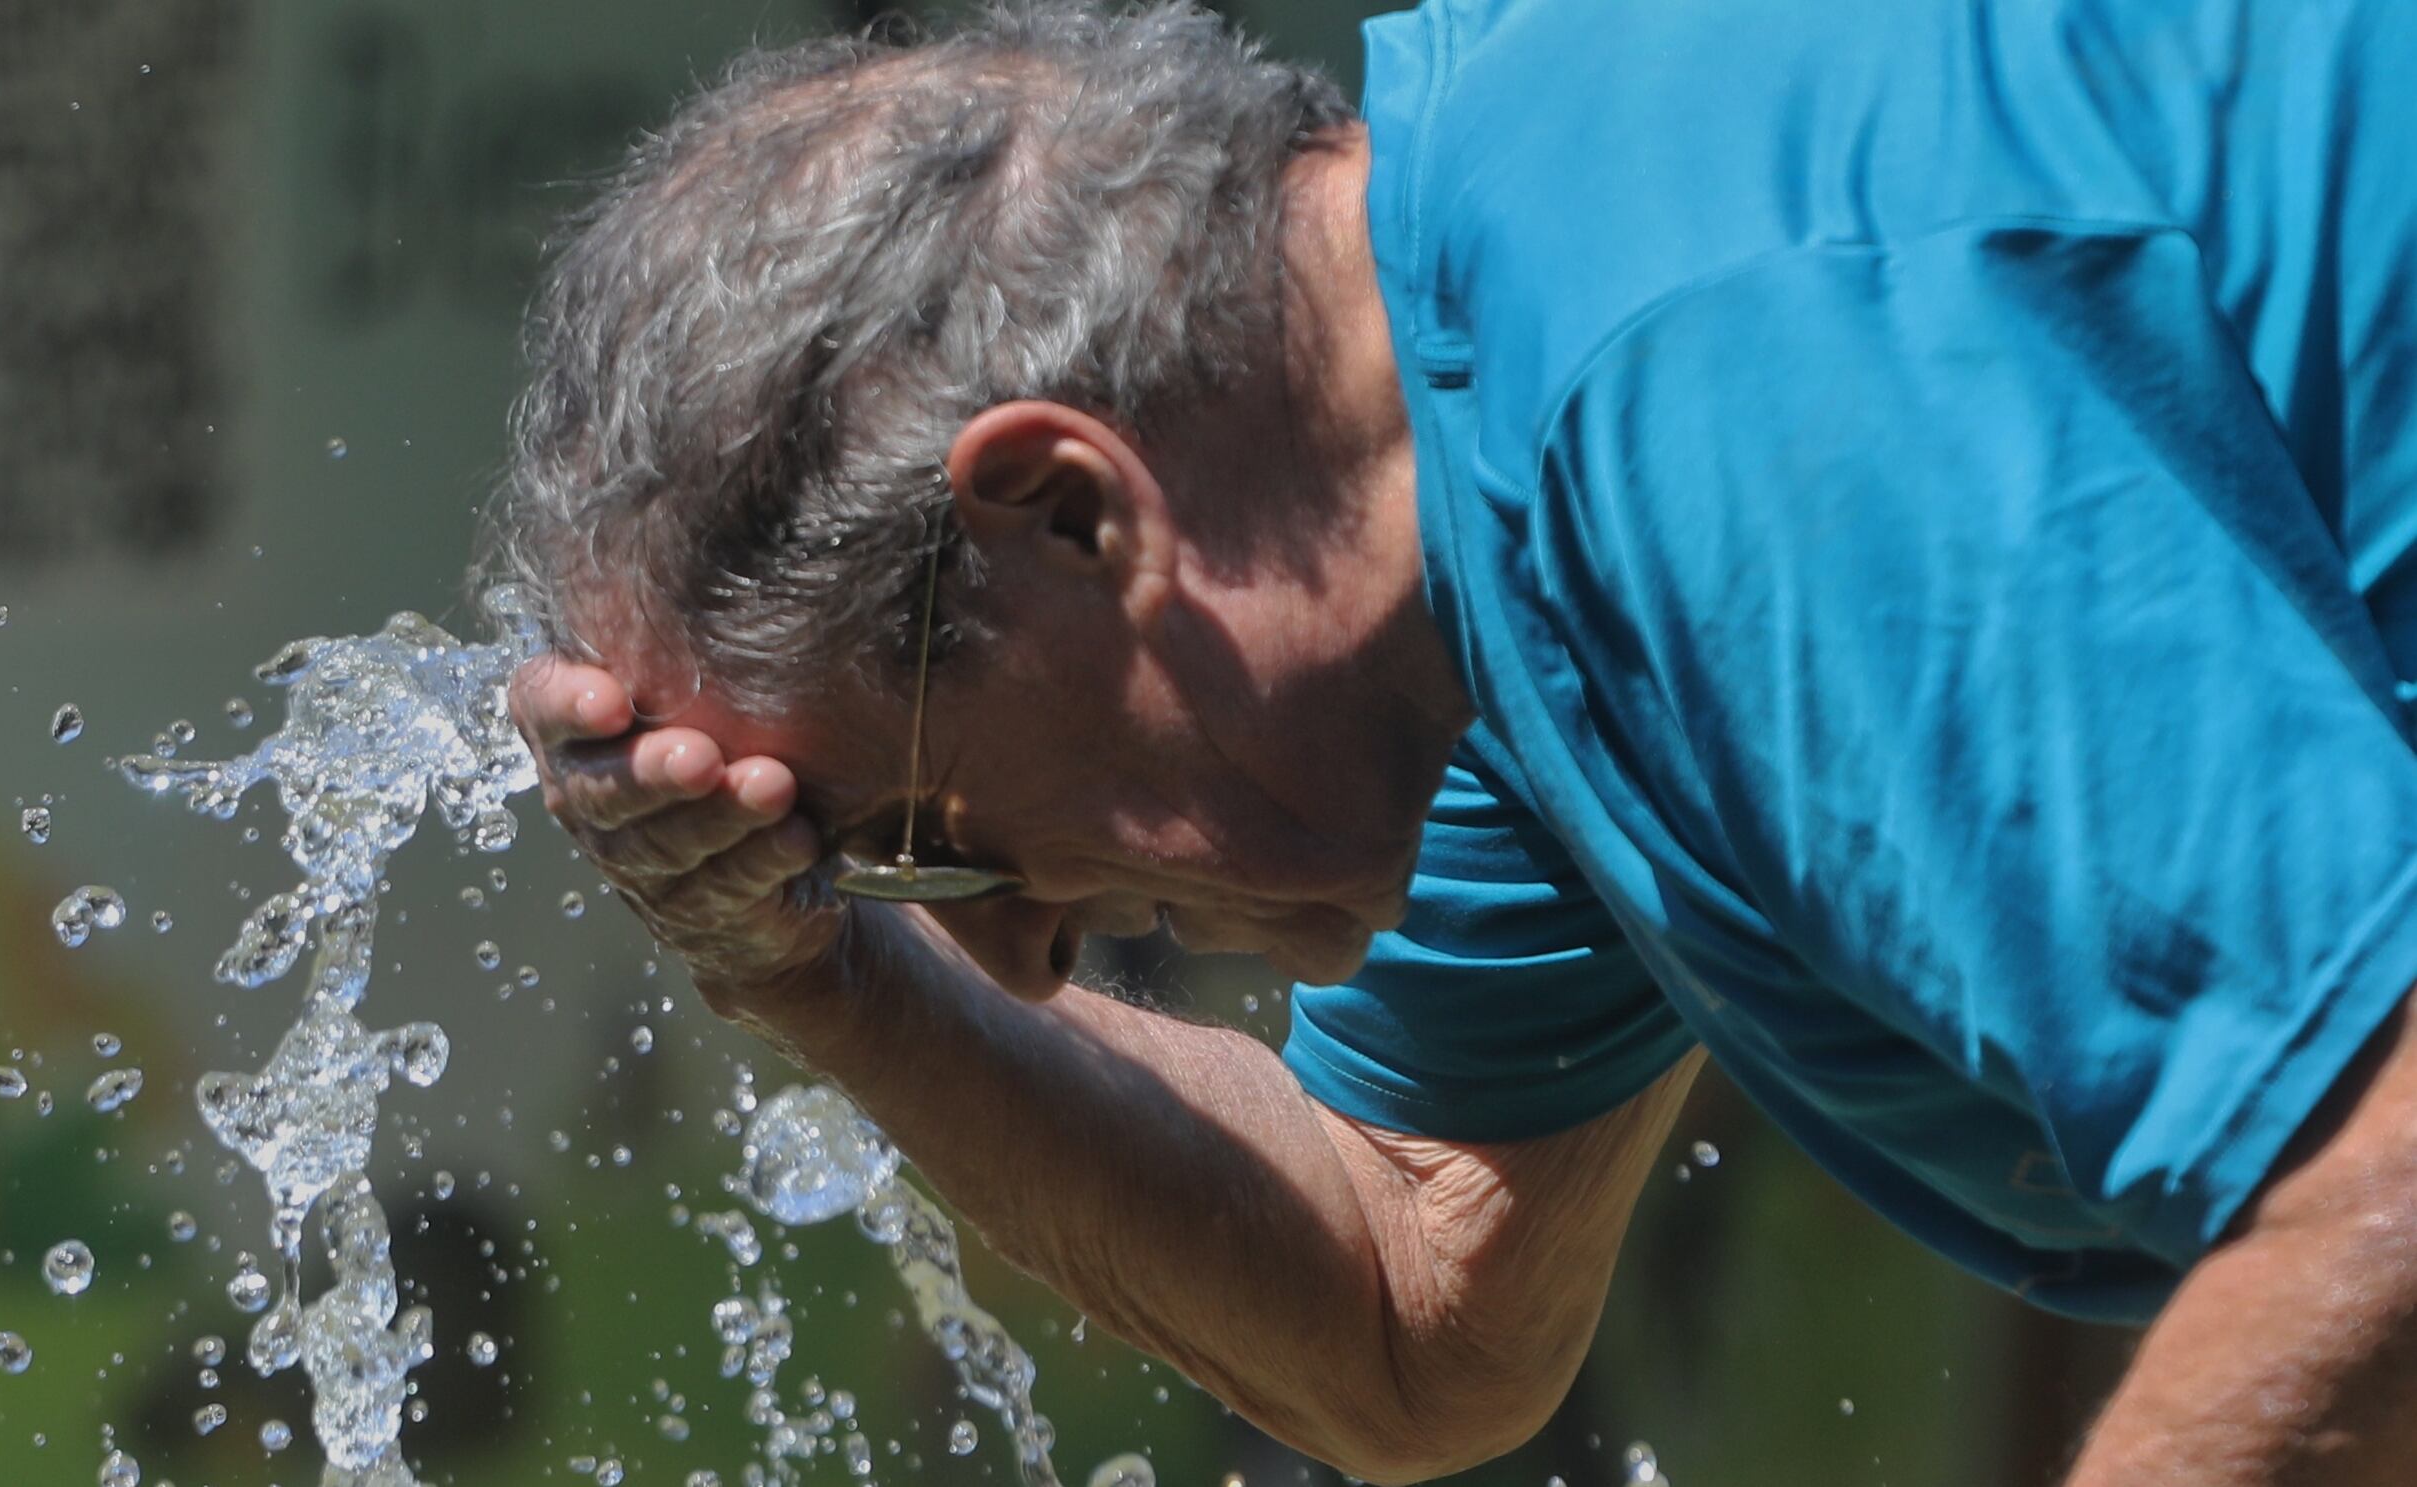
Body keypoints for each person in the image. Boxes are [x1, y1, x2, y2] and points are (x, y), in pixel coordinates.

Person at [490, 0, 2417, 1480]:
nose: (1023, 953)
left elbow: (2384, 1164)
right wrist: (819, 969)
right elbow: (1414, 1318)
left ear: (1077, 519)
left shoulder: (1707, 382)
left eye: (932, 844)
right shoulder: (1482, 503)